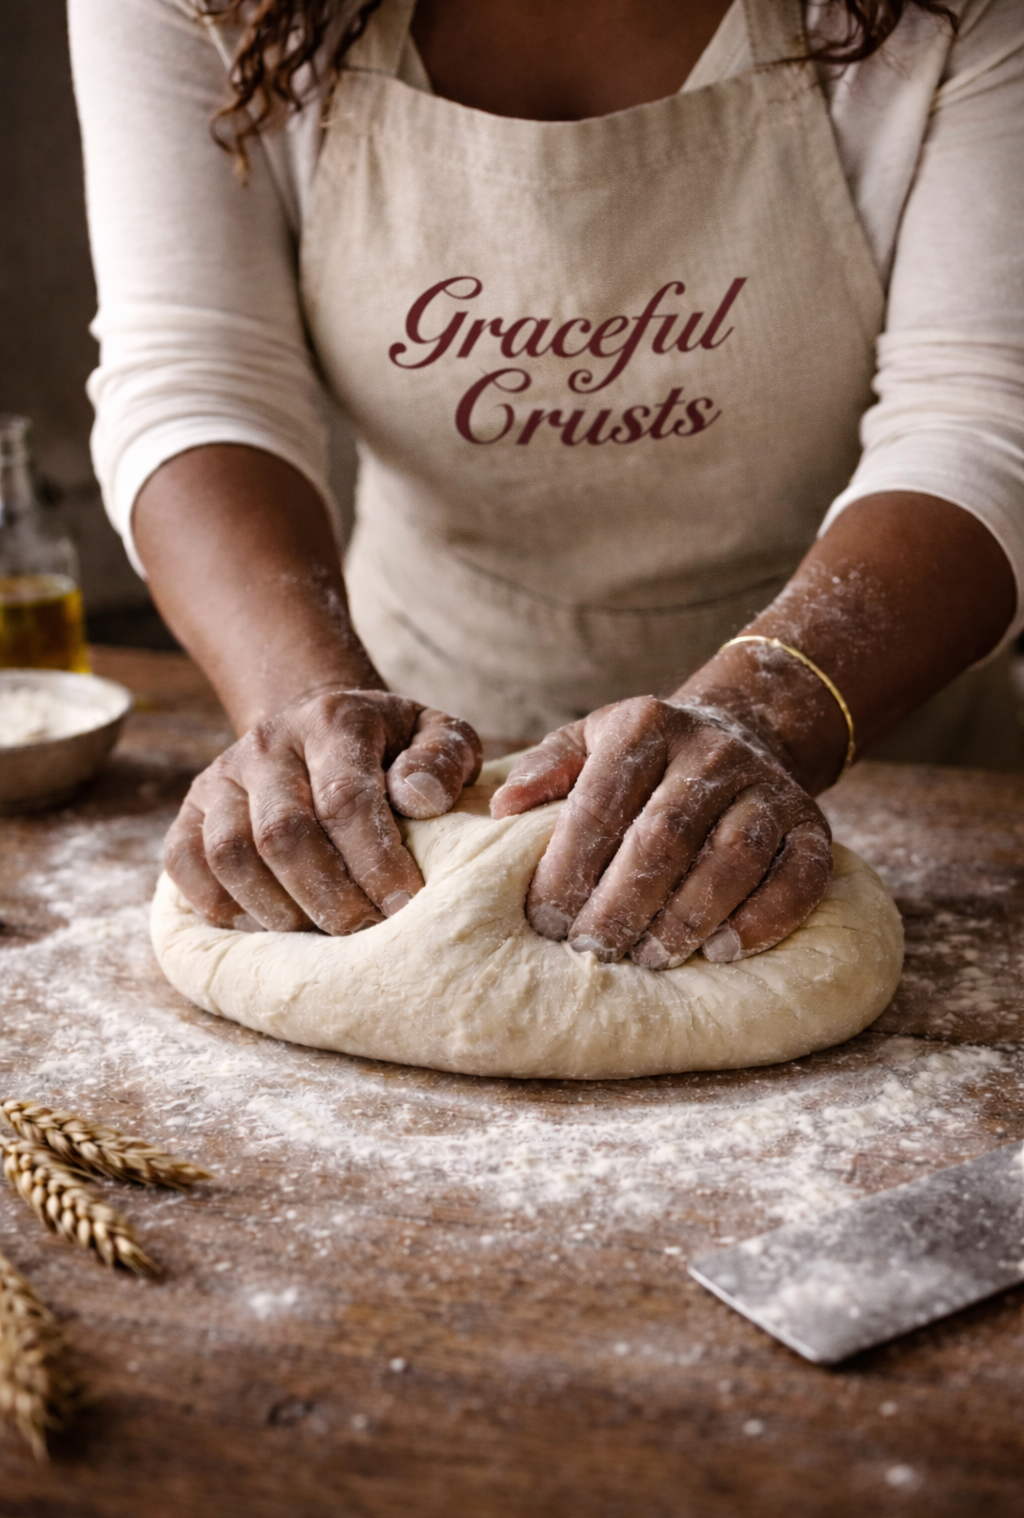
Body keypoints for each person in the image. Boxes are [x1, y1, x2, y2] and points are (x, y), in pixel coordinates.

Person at [70, 0, 1024, 969]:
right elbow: (198, 376)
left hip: (888, 735)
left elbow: (981, 414)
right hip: (419, 779)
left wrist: (767, 713)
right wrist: (304, 716)